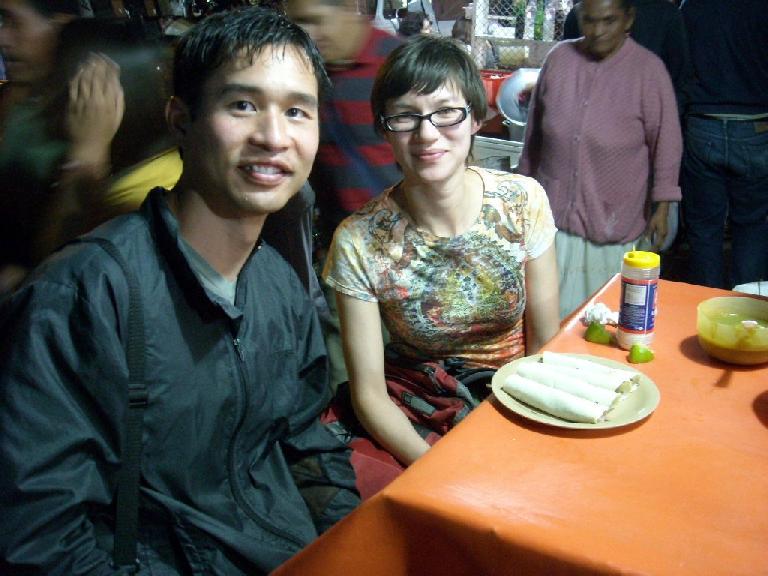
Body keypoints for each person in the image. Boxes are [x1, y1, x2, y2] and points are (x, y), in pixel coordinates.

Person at [0, 8, 359, 574]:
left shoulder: (276, 285)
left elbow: (305, 441)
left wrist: (348, 546)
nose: (273, 137)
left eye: (296, 111)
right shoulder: (83, 297)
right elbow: (41, 537)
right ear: (181, 120)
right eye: (242, 105)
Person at [323, 36, 559, 475]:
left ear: (475, 118)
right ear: (383, 129)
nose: (427, 134)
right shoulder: (358, 240)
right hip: (416, 401)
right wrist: (435, 469)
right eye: (405, 117)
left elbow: (545, 343)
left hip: (516, 391)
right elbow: (370, 393)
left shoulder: (523, 202)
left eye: (446, 112)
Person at [518, 0, 682, 319]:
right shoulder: (559, 59)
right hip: (553, 222)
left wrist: (663, 206)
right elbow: (533, 135)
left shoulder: (648, 70)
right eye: (589, 21)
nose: (597, 31)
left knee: (601, 320)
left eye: (608, 21)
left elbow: (667, 141)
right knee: (546, 317)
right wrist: (522, 192)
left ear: (628, 18)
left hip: (613, 222)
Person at [287, 0, 402, 389]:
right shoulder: (305, 72)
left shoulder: (395, 62)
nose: (310, 35)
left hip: (405, 248)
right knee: (348, 368)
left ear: (349, 8)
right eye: (299, 24)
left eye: (315, 22)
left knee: (407, 364)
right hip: (341, 247)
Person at [679, 0, 768, 288]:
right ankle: (746, 318)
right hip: (756, 125)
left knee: (705, 230)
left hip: (703, 123)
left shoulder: (692, 7)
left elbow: (681, 65)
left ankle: (704, 309)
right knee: (752, 226)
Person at [562, 0, 691, 113]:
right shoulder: (580, 15)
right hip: (588, 122)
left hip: (643, 125)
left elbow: (678, 80)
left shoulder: (666, 15)